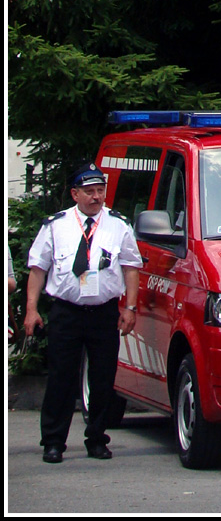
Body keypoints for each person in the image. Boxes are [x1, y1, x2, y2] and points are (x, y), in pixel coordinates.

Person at [24, 163, 142, 463]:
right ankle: (53, 441)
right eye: (89, 192)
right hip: (67, 312)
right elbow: (38, 269)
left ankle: (97, 438)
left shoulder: (118, 225)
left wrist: (130, 307)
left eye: (100, 191)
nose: (96, 197)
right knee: (61, 377)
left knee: (103, 378)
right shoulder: (56, 225)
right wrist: (32, 309)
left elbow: (131, 268)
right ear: (75, 194)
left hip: (103, 312)